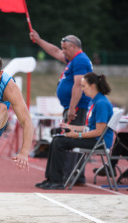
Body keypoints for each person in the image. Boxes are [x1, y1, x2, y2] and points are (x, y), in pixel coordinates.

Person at [30, 30, 93, 184]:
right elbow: (55, 51)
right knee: (71, 139)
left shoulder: (80, 61)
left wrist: (72, 109)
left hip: (76, 107)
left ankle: (68, 175)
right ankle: (76, 175)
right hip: (73, 106)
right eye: (62, 48)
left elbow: (78, 85)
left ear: (73, 47)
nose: (63, 51)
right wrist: (39, 40)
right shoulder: (74, 60)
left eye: (65, 48)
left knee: (69, 140)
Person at [35, 72, 113, 189]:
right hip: (95, 139)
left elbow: (99, 132)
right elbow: (90, 127)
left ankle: (57, 181)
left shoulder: (101, 103)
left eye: (83, 86)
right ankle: (51, 178)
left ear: (92, 86)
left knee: (59, 142)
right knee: (56, 139)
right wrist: (72, 127)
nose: (82, 89)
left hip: (99, 142)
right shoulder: (96, 101)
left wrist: (77, 135)